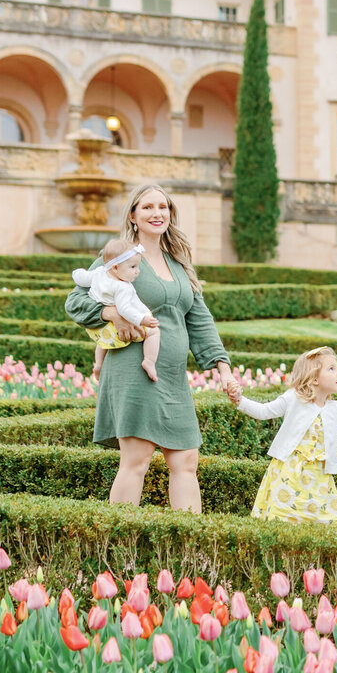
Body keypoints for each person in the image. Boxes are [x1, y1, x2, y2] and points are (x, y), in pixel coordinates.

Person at [65, 183, 239, 513]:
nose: (156, 213)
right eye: (147, 207)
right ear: (133, 215)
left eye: (163, 207)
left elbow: (200, 320)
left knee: (187, 461)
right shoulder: (118, 256)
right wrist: (112, 314)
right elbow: (75, 301)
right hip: (133, 370)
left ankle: (189, 550)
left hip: (172, 376)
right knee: (137, 460)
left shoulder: (179, 263)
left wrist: (224, 370)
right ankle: (119, 547)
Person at [230, 346, 337, 525]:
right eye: (331, 369)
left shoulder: (336, 410)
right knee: (283, 518)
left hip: (320, 479)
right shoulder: (293, 399)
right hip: (289, 474)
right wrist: (240, 400)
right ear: (314, 378)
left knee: (326, 521)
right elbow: (264, 411)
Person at [71, 238, 161, 382]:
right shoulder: (122, 287)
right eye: (132, 267)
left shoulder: (99, 273)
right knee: (154, 332)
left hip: (101, 329)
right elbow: (124, 309)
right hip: (123, 330)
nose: (137, 272)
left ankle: (99, 364)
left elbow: (82, 278)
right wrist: (142, 319)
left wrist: (76, 273)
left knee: (102, 344)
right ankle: (149, 361)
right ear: (115, 268)